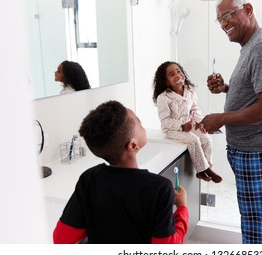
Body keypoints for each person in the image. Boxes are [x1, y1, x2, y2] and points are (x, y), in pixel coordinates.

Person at [201, 0, 262, 244]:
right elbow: (257, 93)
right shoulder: (250, 46)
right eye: (219, 20)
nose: (223, 24)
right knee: (260, 224)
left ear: (248, 10)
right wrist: (227, 88)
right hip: (254, 150)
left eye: (227, 15)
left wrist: (222, 118)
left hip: (258, 151)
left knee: (255, 228)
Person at [53, 100, 189, 244]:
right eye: (139, 122)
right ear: (133, 145)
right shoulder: (160, 188)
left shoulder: (89, 179)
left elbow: (61, 238)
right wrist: (182, 208)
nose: (142, 124)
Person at [152, 61, 222, 183]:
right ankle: (202, 170)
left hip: (189, 124)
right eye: (172, 74)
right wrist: (181, 126)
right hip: (172, 129)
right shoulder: (163, 98)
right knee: (193, 140)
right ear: (166, 81)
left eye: (179, 71)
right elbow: (165, 121)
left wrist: (200, 123)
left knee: (206, 139)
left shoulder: (190, 89)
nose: (178, 75)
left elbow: (195, 108)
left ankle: (208, 167)